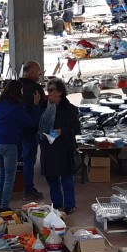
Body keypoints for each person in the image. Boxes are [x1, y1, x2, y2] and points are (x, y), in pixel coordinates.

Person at [0, 80, 41, 212]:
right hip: (9, 144)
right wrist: (36, 106)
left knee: (1, 173)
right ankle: (4, 206)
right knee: (9, 177)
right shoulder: (16, 108)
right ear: (18, 92)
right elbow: (31, 122)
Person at [39, 78, 81, 214]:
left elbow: (76, 128)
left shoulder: (70, 109)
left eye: (52, 90)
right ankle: (56, 202)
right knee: (51, 178)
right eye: (48, 90)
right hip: (49, 147)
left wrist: (62, 131)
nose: (49, 93)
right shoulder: (44, 107)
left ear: (60, 92)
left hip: (64, 148)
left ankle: (69, 204)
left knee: (66, 178)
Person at [20, 61, 47, 201]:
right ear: (30, 72)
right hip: (30, 130)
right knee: (29, 161)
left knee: (16, 160)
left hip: (16, 130)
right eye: (38, 71)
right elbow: (42, 112)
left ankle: (15, 187)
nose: (40, 73)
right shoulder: (36, 89)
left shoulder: (16, 87)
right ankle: (29, 189)